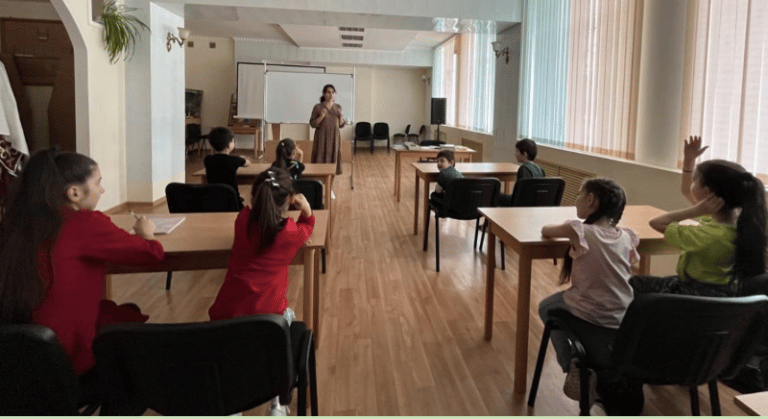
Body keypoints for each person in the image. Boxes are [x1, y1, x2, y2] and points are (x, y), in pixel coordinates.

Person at [0, 147, 165, 405]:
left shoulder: (14, 227)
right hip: (63, 364)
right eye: (98, 183)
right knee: (139, 358)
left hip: (14, 363)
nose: (103, 190)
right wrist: (147, 233)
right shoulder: (85, 223)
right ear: (74, 193)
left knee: (119, 314)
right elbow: (152, 254)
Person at [208, 168, 313, 416]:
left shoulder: (241, 220)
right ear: (289, 201)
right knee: (283, 326)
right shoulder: (289, 233)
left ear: (255, 197)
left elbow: (251, 213)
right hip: (268, 321)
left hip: (225, 317)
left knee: (237, 347)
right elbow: (307, 229)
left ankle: (232, 407)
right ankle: (276, 405)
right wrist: (307, 212)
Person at [537, 178, 641, 414]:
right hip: (623, 314)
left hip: (588, 308)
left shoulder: (578, 230)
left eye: (579, 195)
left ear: (591, 200)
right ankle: (583, 363)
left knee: (546, 307)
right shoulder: (628, 236)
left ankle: (573, 367)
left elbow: (546, 230)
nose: (576, 200)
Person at [630, 136, 768, 297]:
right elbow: (686, 191)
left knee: (634, 283)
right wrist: (689, 161)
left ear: (708, 193)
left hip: (692, 295)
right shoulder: (741, 222)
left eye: (695, 179)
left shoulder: (706, 235)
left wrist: (695, 211)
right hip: (724, 294)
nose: (692, 183)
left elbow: (657, 223)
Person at [204, 126, 251, 209]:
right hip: (233, 203)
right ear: (229, 145)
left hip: (213, 202)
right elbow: (248, 163)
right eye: (233, 141)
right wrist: (241, 158)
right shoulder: (235, 160)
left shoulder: (207, 159)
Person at [497, 138, 546, 206]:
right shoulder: (540, 169)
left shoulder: (523, 169)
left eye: (517, 151)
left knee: (494, 195)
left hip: (522, 206)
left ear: (525, 154)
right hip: (536, 205)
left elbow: (519, 197)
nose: (515, 154)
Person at [309, 84, 345, 175]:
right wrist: (321, 116)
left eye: (333, 92)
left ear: (335, 94)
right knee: (320, 157)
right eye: (328, 92)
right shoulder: (318, 107)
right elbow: (312, 124)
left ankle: (330, 182)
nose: (331, 94)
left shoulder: (338, 107)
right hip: (321, 137)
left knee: (333, 159)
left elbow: (341, 125)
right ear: (324, 94)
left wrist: (341, 117)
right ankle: (320, 180)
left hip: (334, 138)